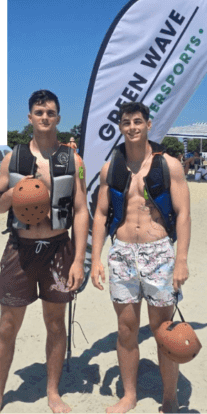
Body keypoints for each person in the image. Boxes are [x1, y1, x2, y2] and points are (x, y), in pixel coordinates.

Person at [0, 90, 89, 414]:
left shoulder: (73, 160)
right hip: (20, 249)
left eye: (51, 113)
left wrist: (79, 260)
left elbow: (82, 209)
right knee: (7, 324)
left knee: (55, 323)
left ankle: (53, 392)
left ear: (58, 118)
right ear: (29, 117)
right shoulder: (13, 159)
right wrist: (16, 192)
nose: (45, 117)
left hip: (59, 249)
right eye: (39, 112)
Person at [90, 103, 191, 414]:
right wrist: (95, 259)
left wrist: (182, 259)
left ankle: (170, 399)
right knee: (125, 328)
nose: (132, 127)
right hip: (121, 254)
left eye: (137, 121)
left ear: (148, 124)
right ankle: (129, 395)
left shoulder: (168, 165)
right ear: (120, 127)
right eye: (126, 122)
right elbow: (101, 214)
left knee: (164, 329)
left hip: (158, 253)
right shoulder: (113, 167)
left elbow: (184, 213)